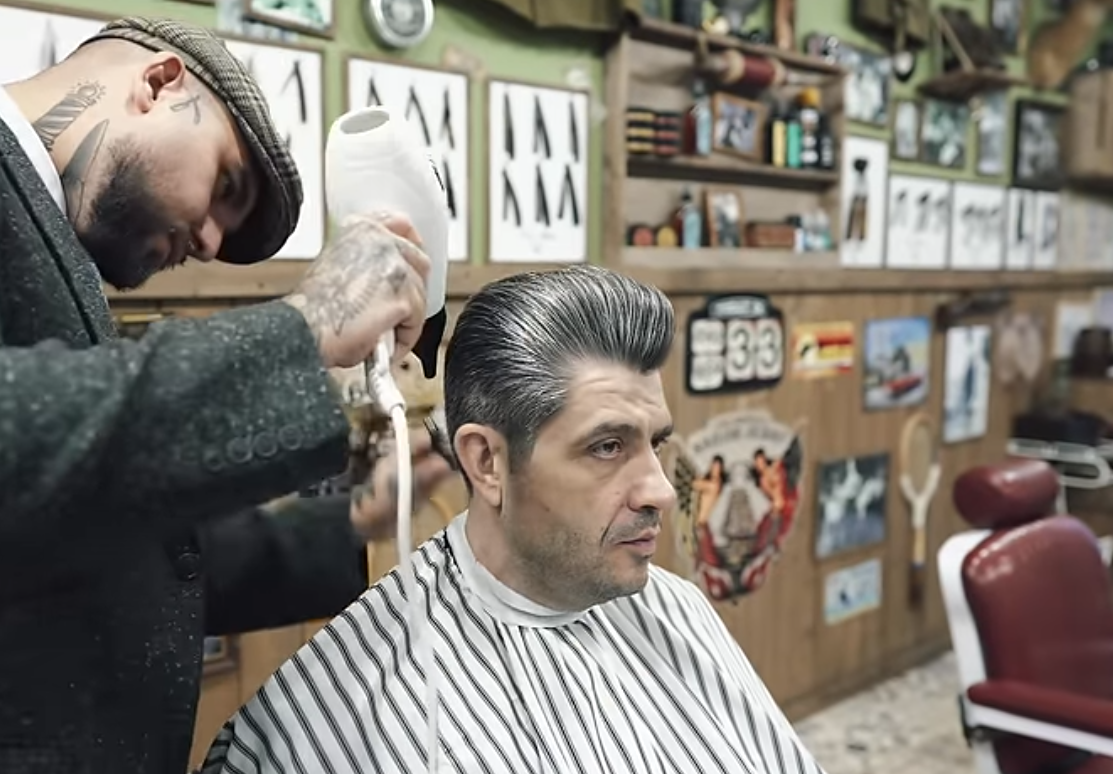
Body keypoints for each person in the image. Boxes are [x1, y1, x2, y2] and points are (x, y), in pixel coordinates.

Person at [0, 13, 453, 774]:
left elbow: (105, 550)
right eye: (225, 185)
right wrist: (306, 325)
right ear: (159, 84)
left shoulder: (50, 249)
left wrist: (346, 525)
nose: (211, 243)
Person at [202, 265, 826, 774]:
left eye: (655, 444)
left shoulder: (678, 612)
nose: (660, 491)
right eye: (608, 447)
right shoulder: (346, 706)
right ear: (486, 462)